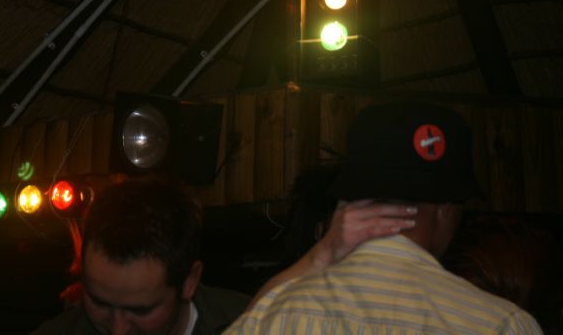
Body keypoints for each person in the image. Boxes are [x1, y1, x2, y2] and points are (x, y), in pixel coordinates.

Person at [225, 101, 544, 334]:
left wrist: (323, 253)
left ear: (351, 199)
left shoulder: (283, 314)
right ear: (448, 207)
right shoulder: (503, 325)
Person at [30, 173, 415, 335]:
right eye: (99, 301)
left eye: (140, 310)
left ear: (190, 280)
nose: (117, 329)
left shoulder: (243, 322)